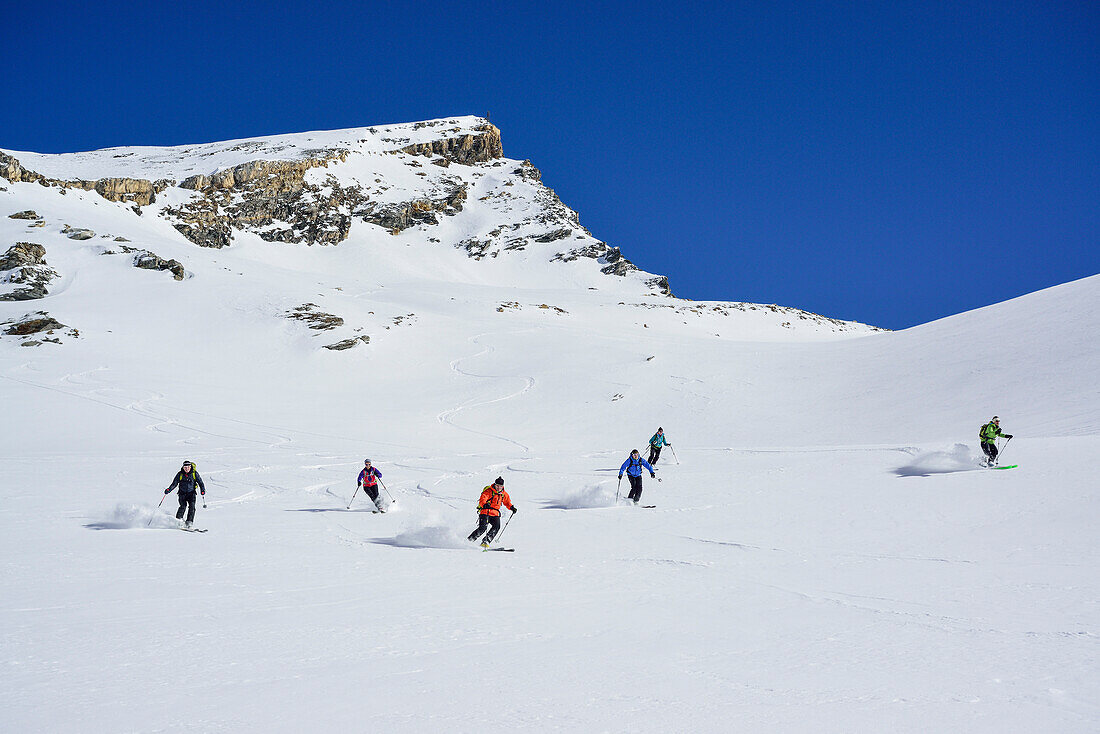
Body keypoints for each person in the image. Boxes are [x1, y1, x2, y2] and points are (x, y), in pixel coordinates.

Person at [468, 476, 516, 547]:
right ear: (495, 484)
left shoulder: (504, 494)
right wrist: (484, 504)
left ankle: (486, 541)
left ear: (503, 486)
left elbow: (507, 502)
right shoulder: (489, 491)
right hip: (485, 512)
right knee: (482, 528)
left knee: (496, 527)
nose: (499, 487)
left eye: (500, 486)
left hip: (495, 513)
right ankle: (470, 540)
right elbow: (483, 499)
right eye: (497, 485)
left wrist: (512, 507)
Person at [164, 460, 205, 527]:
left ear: (190, 467)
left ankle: (189, 522)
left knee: (192, 507)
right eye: (185, 467)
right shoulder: (180, 474)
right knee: (183, 506)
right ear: (183, 467)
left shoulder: (195, 474)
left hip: (192, 493)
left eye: (188, 467)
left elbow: (200, 483)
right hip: (182, 493)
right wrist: (169, 489)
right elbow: (174, 483)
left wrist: (202, 490)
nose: (186, 469)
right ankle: (178, 520)